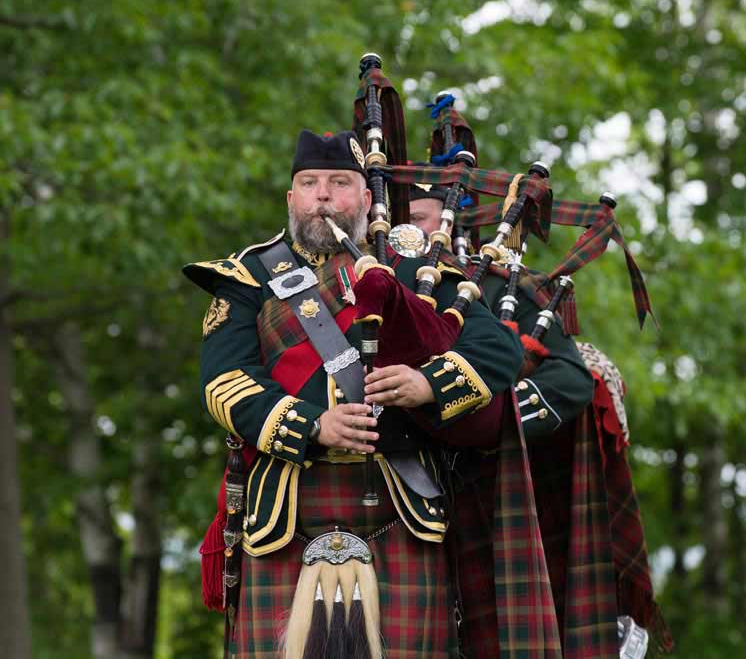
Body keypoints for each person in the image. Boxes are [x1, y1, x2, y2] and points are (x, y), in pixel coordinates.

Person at [184, 129, 524, 658]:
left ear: (366, 199)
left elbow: (497, 349)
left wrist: (427, 384)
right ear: (290, 197)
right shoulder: (248, 277)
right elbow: (226, 383)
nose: (323, 195)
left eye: (340, 183)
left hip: (402, 504)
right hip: (286, 513)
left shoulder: (415, 271)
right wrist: (313, 425)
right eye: (310, 182)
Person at [409, 181, 674, 656]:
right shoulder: (361, 289)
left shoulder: (492, 283)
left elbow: (571, 379)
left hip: (492, 499)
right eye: (403, 219)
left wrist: (492, 416)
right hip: (397, 507)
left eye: (424, 219)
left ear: (454, 224)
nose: (414, 232)